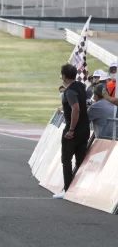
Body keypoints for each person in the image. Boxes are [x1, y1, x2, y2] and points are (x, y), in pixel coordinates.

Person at [53, 64, 90, 199]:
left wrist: (71, 129)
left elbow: (76, 108)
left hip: (74, 129)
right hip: (85, 128)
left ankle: (67, 189)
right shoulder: (81, 86)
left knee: (66, 159)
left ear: (63, 76)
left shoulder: (69, 92)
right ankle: (78, 189)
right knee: (80, 159)